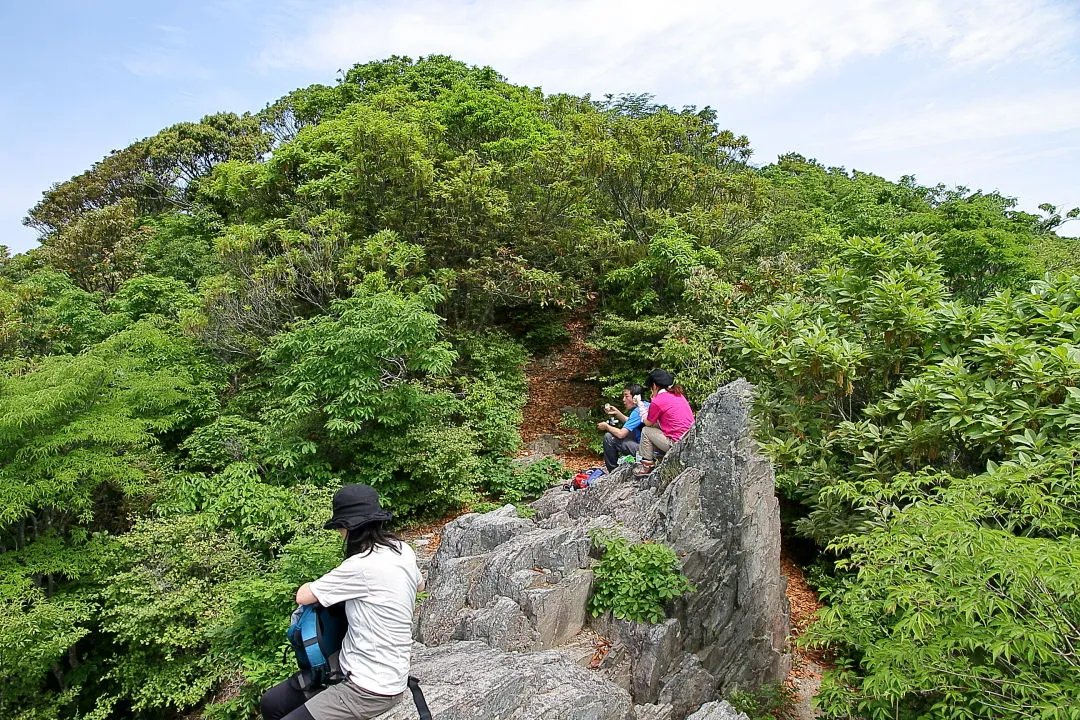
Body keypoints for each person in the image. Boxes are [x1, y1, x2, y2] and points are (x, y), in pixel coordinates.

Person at [261, 484, 423, 720]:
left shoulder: (361, 566)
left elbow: (303, 595)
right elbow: (420, 585)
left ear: (348, 527)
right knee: (272, 703)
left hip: (370, 688)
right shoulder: (402, 549)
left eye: (340, 527)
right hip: (355, 663)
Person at [633, 369, 695, 477]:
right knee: (655, 426)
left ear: (654, 386)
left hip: (676, 444)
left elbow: (647, 422)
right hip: (689, 440)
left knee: (646, 431)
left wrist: (639, 403)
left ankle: (647, 465)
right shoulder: (679, 395)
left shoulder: (658, 401)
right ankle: (661, 457)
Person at [596, 383, 650, 472]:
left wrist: (606, 426)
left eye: (626, 396)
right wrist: (617, 413)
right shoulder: (646, 406)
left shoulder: (637, 412)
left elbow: (621, 434)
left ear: (635, 397)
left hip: (645, 451)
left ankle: (613, 472)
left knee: (609, 438)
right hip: (651, 447)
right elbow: (631, 422)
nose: (623, 399)